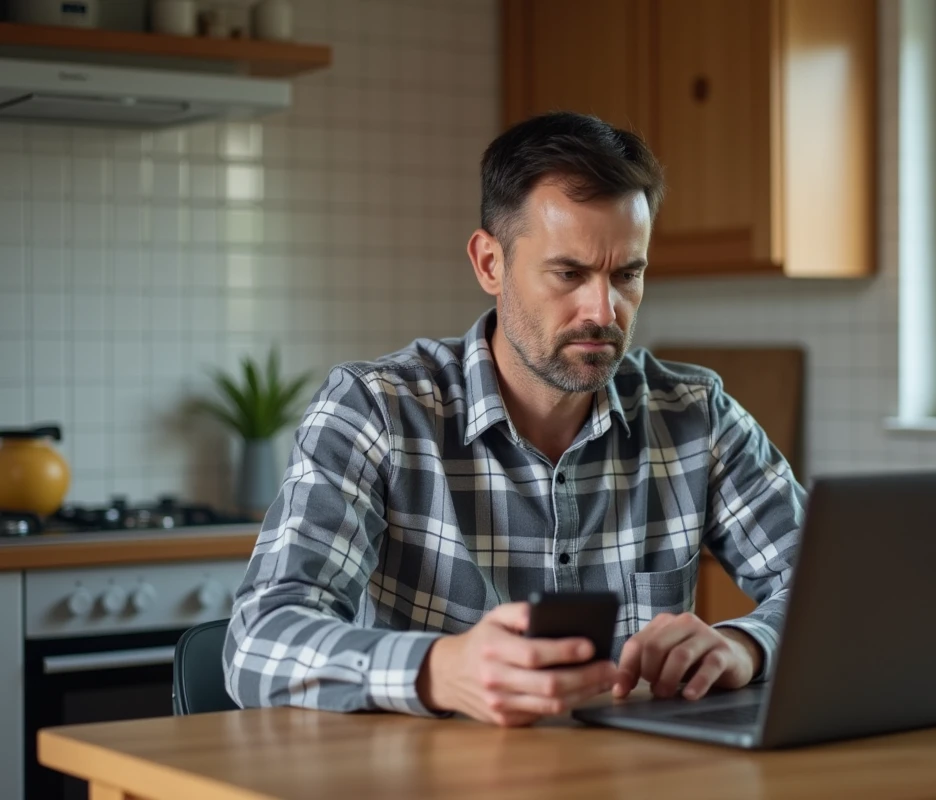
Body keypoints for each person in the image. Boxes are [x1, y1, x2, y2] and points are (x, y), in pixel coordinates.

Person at [223, 111, 804, 727]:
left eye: (627, 275)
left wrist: (745, 645)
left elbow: (836, 596)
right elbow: (257, 641)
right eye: (570, 273)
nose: (603, 310)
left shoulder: (696, 415)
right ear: (490, 263)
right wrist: (440, 670)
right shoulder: (376, 410)